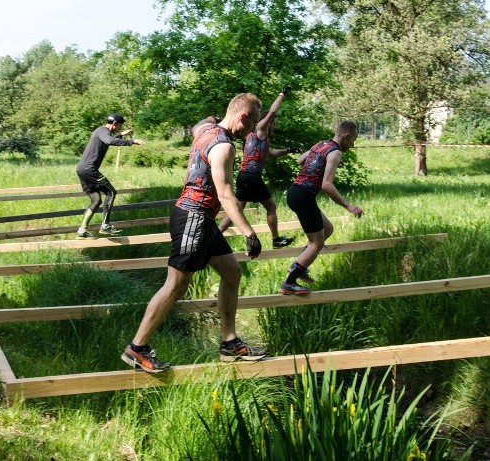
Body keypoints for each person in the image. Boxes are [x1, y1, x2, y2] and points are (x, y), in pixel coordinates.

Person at [121, 93, 267, 373]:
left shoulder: (206, 130)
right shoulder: (223, 147)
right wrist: (249, 232)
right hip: (194, 218)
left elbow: (199, 125)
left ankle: (229, 343)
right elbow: (225, 193)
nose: (251, 132)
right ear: (243, 117)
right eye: (252, 124)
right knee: (176, 285)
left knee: (232, 272)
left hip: (201, 219)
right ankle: (137, 349)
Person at [281, 120, 364, 295]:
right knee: (316, 243)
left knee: (328, 228)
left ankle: (300, 265)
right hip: (304, 196)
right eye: (353, 140)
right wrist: (349, 206)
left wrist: (322, 163)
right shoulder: (335, 153)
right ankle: (290, 281)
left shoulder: (322, 144)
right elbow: (327, 185)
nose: (352, 145)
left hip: (295, 192)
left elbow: (300, 160)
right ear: (346, 135)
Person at [217, 85, 301, 248]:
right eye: (273, 123)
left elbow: (270, 153)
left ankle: (216, 233)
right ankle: (276, 239)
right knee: (271, 206)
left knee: (237, 209)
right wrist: (281, 95)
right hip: (252, 176)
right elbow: (272, 112)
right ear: (266, 123)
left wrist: (289, 150)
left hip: (244, 176)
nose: (274, 126)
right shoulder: (260, 130)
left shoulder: (257, 137)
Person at [75, 113, 144, 238]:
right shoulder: (103, 131)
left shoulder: (100, 131)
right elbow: (110, 140)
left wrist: (121, 134)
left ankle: (82, 230)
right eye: (120, 125)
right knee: (111, 192)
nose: (119, 127)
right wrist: (132, 141)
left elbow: (108, 139)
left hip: (82, 169)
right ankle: (105, 226)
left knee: (96, 200)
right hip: (89, 169)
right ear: (115, 124)